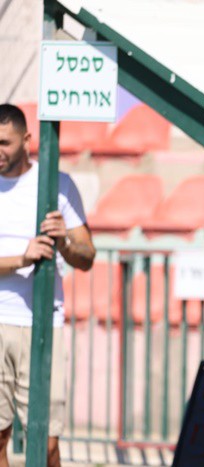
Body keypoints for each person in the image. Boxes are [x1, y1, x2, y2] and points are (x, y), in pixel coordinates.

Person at [0, 104, 95, 467]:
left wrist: (64, 242)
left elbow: (86, 256)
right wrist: (21, 259)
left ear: (27, 140)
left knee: (46, 444)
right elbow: (22, 258)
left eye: (4, 143)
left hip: (42, 327)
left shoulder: (57, 184)